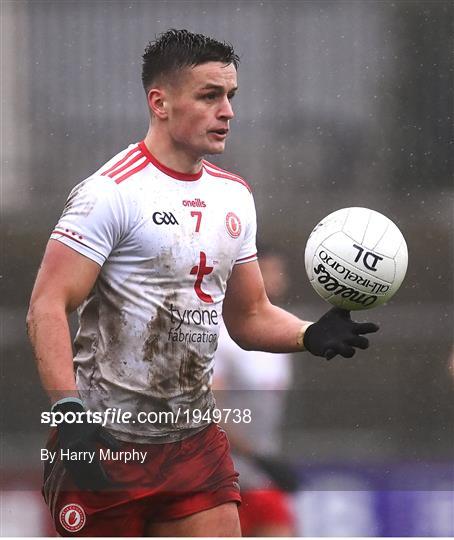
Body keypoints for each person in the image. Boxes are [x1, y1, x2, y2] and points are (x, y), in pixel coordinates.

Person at [27, 29, 379, 537]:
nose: (227, 111)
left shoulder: (234, 197)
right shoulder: (109, 193)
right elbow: (46, 305)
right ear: (160, 102)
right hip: (105, 442)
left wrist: (308, 333)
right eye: (209, 95)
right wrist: (69, 416)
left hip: (193, 441)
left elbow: (250, 315)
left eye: (230, 96)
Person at [214, 248, 297, 536]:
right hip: (223, 481)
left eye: (278, 272)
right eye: (267, 272)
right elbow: (209, 410)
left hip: (261, 480)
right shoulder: (222, 336)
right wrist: (257, 456)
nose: (277, 279)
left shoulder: (279, 336)